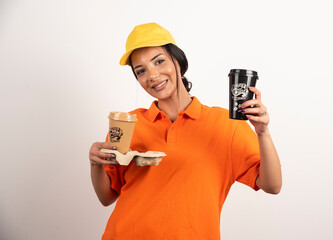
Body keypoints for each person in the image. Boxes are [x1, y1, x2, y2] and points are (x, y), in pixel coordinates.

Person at [89, 22, 282, 240]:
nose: (152, 75)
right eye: (140, 71)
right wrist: (96, 163)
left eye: (159, 61)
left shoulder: (226, 124)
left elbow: (272, 185)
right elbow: (107, 197)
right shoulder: (128, 123)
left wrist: (263, 132)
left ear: (178, 61)